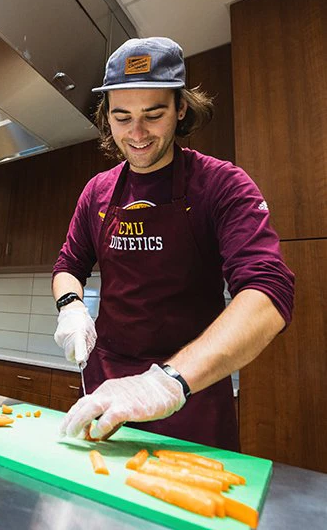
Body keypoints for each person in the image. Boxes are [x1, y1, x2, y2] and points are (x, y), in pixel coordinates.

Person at [52, 37, 294, 451]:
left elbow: (268, 293)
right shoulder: (97, 192)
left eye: (154, 114)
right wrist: (70, 307)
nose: (137, 133)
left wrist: (167, 381)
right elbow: (68, 265)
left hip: (190, 393)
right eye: (122, 117)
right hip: (106, 390)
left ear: (181, 108)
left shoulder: (221, 184)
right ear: (106, 116)